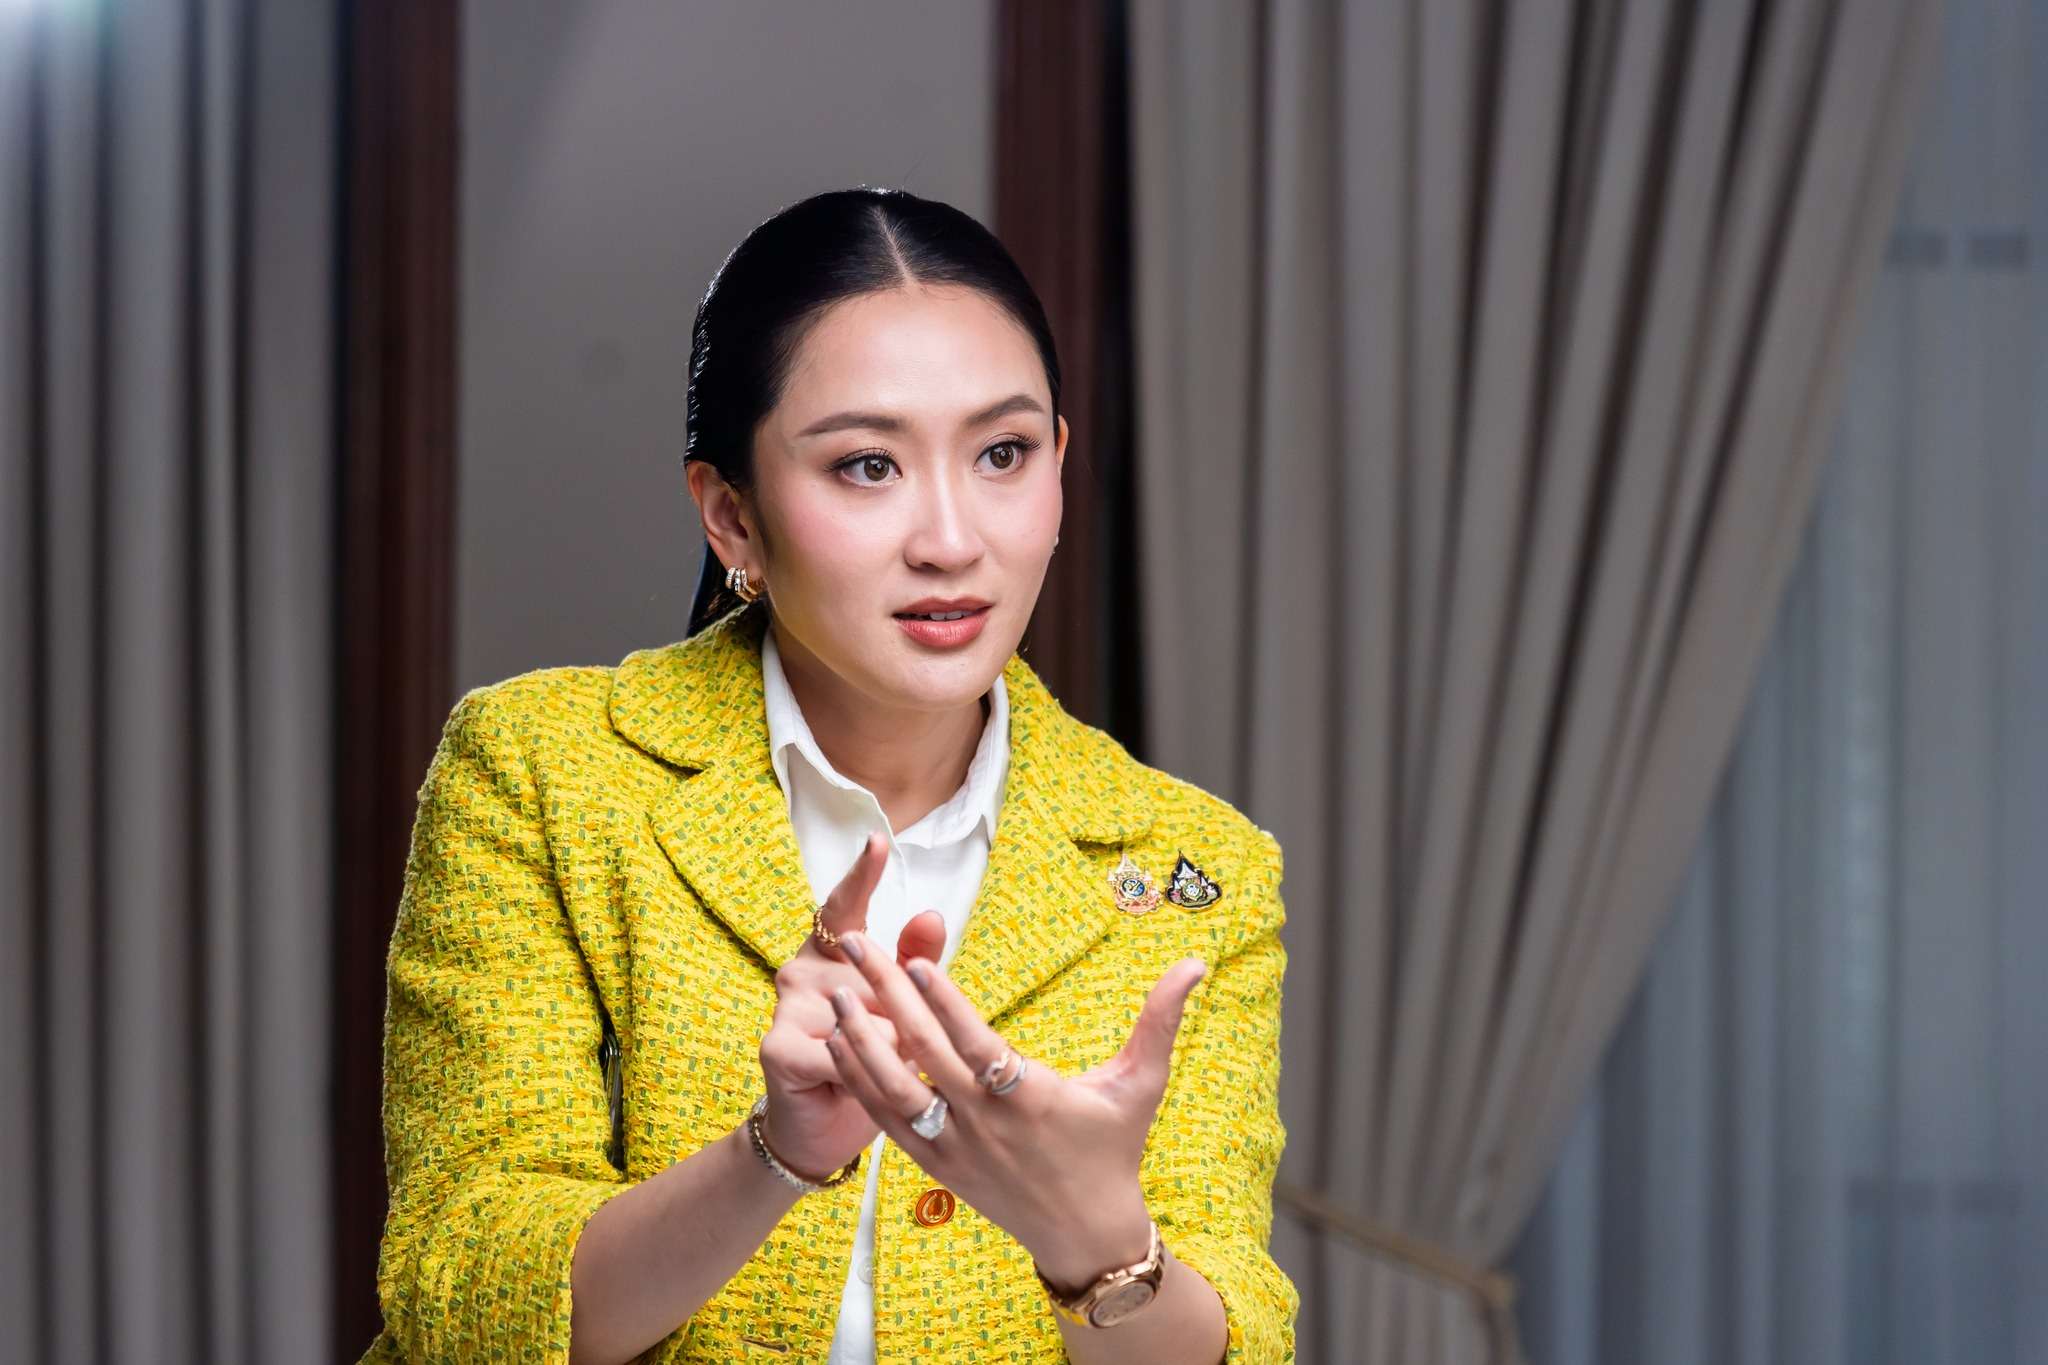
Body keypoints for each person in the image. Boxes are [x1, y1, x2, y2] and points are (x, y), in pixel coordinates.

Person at [359, 187, 1297, 1364]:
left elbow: (1235, 1336)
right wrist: (773, 1155)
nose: (951, 539)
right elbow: (458, 1298)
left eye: (1002, 454)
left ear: (1059, 466)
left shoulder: (1194, 871)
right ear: (732, 517)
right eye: (866, 466)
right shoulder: (541, 775)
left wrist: (1094, 1242)